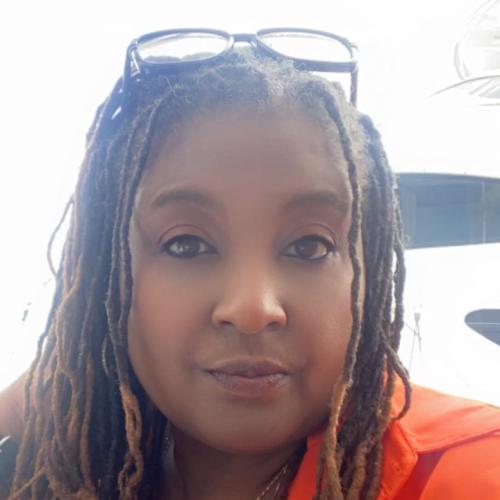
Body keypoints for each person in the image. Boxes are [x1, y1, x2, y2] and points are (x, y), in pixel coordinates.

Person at [1, 28, 500, 500]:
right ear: (104, 281)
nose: (253, 309)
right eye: (186, 245)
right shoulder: (49, 462)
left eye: (309, 246)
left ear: (367, 274)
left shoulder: (470, 471)